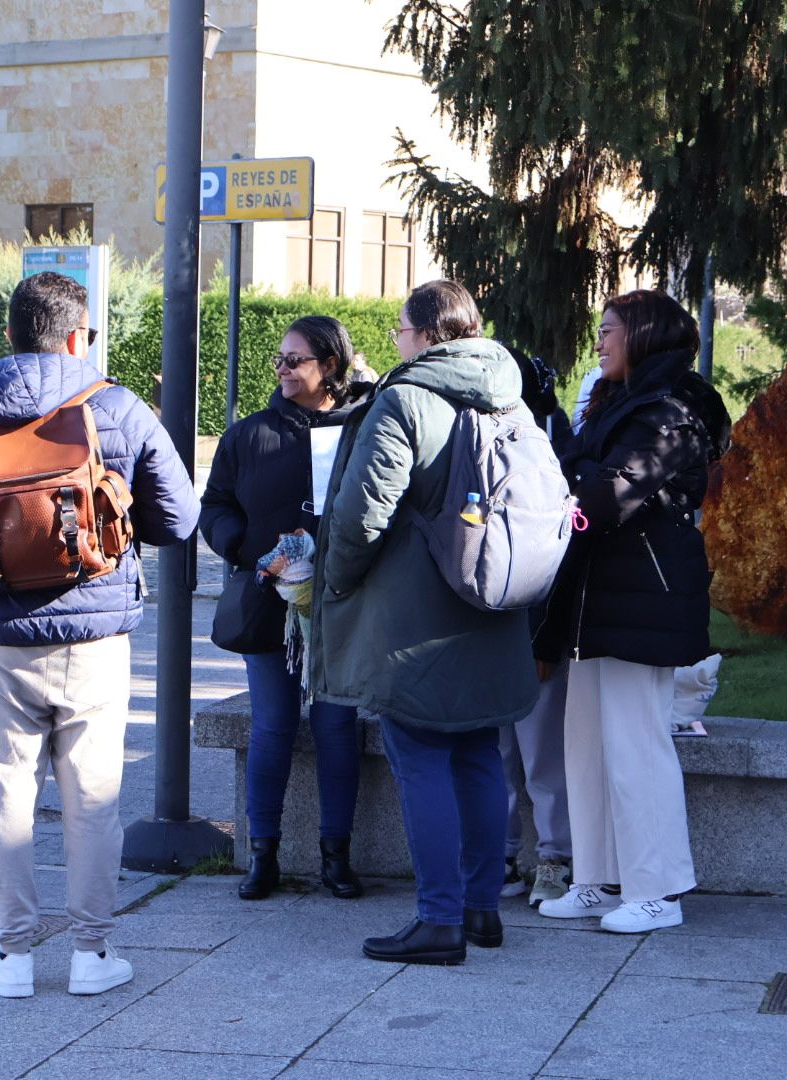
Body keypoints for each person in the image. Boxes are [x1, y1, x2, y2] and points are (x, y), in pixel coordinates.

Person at [0, 271, 199, 998]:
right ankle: (92, 955)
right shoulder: (118, 410)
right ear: (78, 336)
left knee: (7, 798)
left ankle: (10, 957)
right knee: (93, 797)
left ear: (9, 335)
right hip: (94, 638)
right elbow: (181, 520)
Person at [311, 279, 540, 965]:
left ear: (425, 337)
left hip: (417, 616)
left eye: (400, 332)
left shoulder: (405, 400)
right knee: (476, 754)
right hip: (494, 601)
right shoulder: (511, 397)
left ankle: (439, 919)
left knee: (421, 759)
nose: (396, 343)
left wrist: (337, 582)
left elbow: (359, 516)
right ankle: (481, 910)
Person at [532, 289, 730, 933]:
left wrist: (574, 464)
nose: (599, 340)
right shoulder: (620, 406)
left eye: (610, 329)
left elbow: (605, 497)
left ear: (643, 336)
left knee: (638, 746)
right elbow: (584, 484)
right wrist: (578, 463)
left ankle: (658, 891)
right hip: (598, 602)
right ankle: (595, 878)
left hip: (641, 602)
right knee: (585, 746)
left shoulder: (668, 413)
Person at [200, 315, 370, 903]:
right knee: (272, 725)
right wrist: (245, 548)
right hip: (268, 603)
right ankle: (262, 855)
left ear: (330, 367)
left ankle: (336, 858)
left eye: (295, 360)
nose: (282, 368)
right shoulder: (249, 434)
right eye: (280, 358)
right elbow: (215, 505)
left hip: (339, 605)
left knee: (335, 725)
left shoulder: (359, 429)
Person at [496, 345, 574, 906]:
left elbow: (559, 549)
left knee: (543, 754)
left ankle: (555, 859)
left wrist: (545, 634)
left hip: (534, 621)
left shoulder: (549, 437)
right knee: (493, 755)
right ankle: (497, 856)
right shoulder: (472, 434)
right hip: (483, 624)